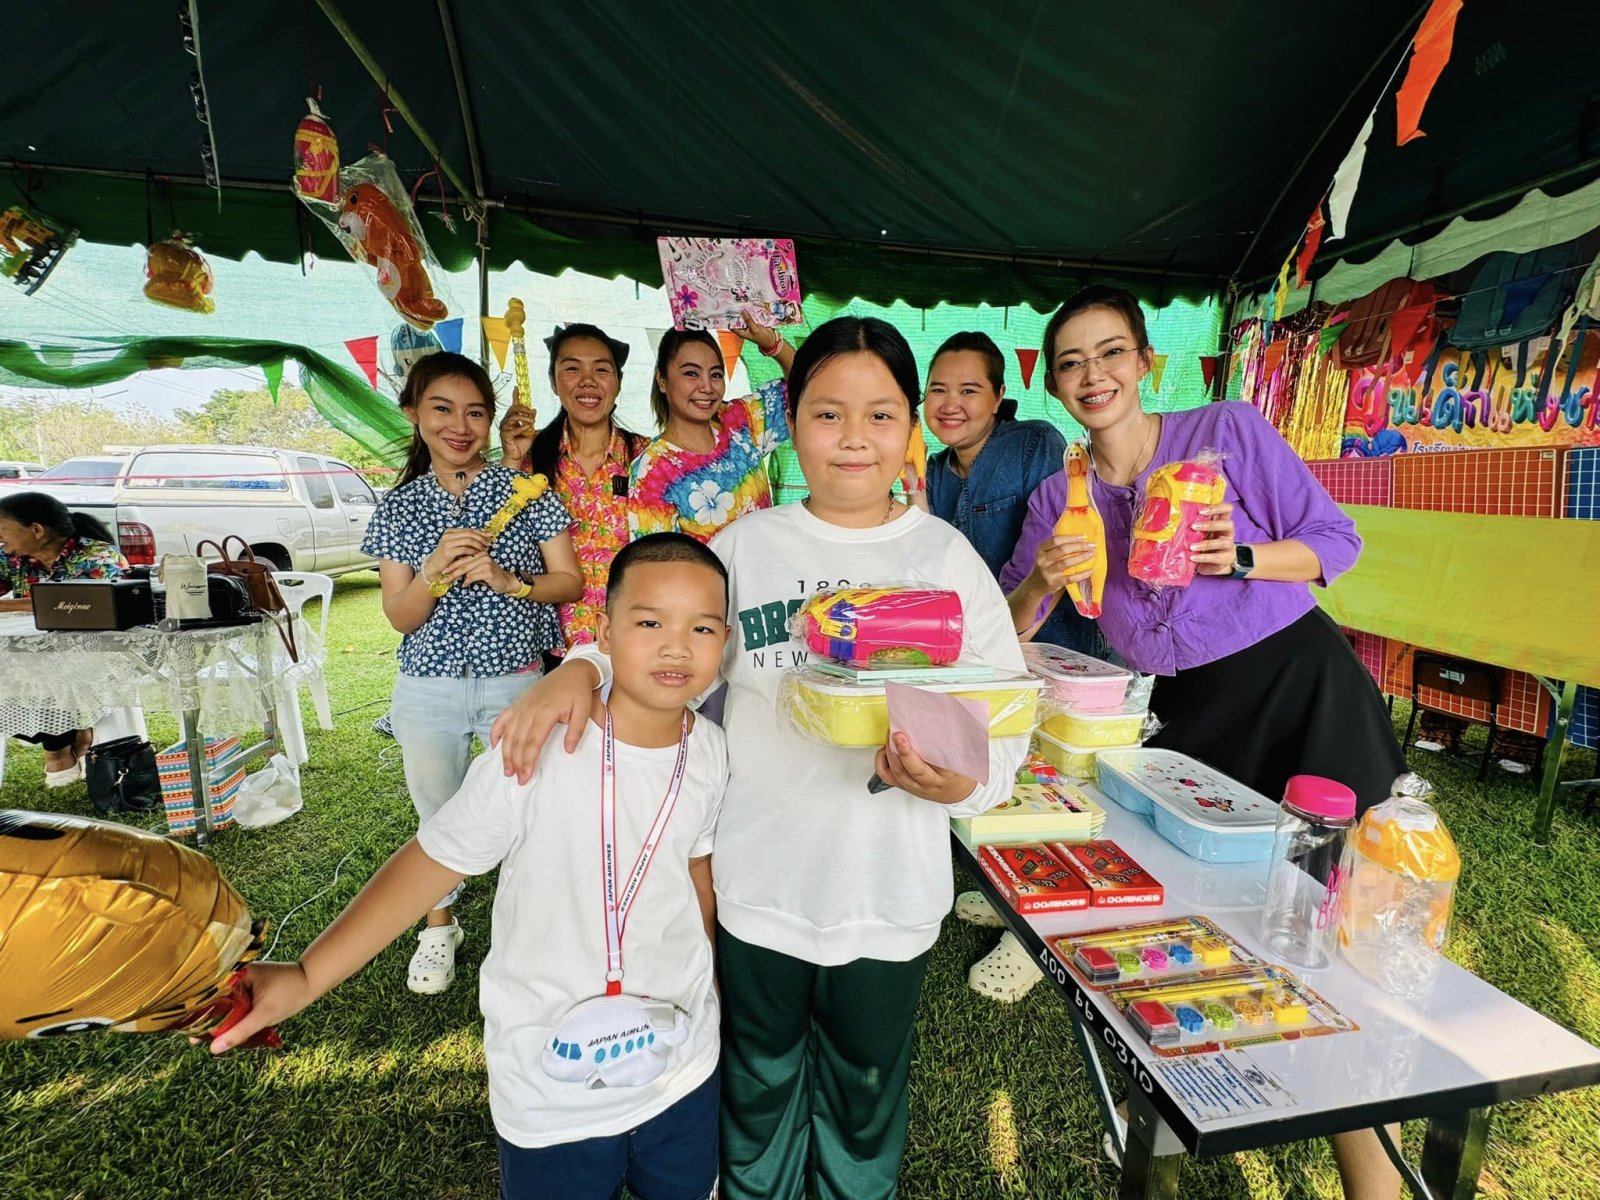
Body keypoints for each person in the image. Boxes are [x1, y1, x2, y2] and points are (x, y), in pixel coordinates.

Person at [488, 316, 1030, 1200]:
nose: (853, 437)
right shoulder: (747, 547)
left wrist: (962, 782)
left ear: (910, 427)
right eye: (826, 413)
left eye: (881, 415)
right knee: (757, 1081)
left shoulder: (945, 559)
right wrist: (581, 667)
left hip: (888, 896)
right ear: (791, 422)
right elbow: (658, 641)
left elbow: (1002, 728)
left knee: (864, 1093)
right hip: (757, 888)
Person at [1003, 283, 1406, 1199]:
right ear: (1054, 385)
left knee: (1337, 927)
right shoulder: (1059, 495)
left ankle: (1370, 1171)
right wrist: (1040, 581)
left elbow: (1334, 542)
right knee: (1205, 921)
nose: (1092, 374)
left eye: (1111, 352)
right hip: (1190, 717)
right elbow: (1010, 624)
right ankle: (1187, 1104)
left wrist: (1242, 558)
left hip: (1301, 688)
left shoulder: (1225, 433)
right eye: (1070, 363)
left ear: (1147, 362)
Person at [214, 533, 732, 1200]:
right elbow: (430, 863)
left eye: (702, 628)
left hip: (682, 1067)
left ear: (725, 641)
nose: (676, 646)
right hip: (548, 1089)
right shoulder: (536, 748)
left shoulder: (712, 751)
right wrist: (310, 974)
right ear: (604, 634)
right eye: (650, 623)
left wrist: (713, 990)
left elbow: (696, 876)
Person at [360, 350, 582, 994]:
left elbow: (568, 581)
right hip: (427, 689)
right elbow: (400, 617)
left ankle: (531, 927)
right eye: (442, 409)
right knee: (437, 813)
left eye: (475, 412)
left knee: (530, 807)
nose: (459, 426)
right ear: (412, 413)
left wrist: (512, 581)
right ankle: (440, 926)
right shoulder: (400, 508)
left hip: (516, 681)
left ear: (490, 420)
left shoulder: (524, 491)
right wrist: (433, 571)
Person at [923, 331, 1118, 1003]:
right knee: (1009, 776)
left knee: (1059, 784)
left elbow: (1064, 543)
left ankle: (1038, 931)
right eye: (938, 390)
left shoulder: (1035, 445)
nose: (951, 404)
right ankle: (1014, 890)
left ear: (1000, 395)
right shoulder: (935, 469)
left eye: (969, 390)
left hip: (1052, 643)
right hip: (987, 651)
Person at [525, 323, 649, 652]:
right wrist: (511, 459)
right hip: (550, 646)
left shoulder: (648, 459)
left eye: (601, 369)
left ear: (618, 382)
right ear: (553, 381)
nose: (587, 381)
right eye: (572, 368)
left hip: (632, 642)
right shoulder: (528, 458)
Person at [628, 314, 796, 543]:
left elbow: (808, 386)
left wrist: (773, 344)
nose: (707, 387)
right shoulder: (653, 472)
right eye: (691, 373)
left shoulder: (740, 421)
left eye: (716, 374)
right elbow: (659, 560)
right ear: (662, 380)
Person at [0, 491, 129, 786]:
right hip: (32, 650)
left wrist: (6, 606)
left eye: (2, 528)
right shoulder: (13, 558)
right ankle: (75, 732)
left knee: (45, 670)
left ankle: (57, 747)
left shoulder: (97, 557)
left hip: (95, 650)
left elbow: (74, 601)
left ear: (36, 530)